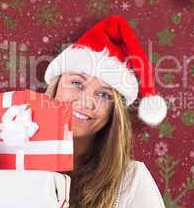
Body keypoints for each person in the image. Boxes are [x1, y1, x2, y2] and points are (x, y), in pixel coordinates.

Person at [44, 16, 167, 208]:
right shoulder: (10, 160)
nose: (86, 102)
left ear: (114, 111)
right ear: (56, 86)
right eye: (77, 83)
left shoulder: (132, 182)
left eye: (103, 94)